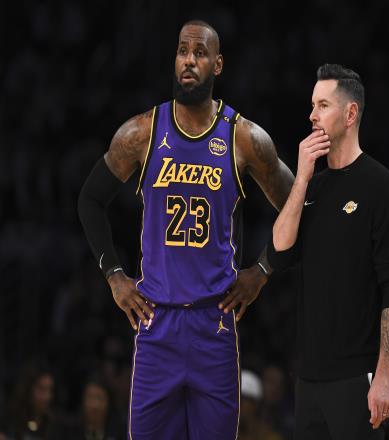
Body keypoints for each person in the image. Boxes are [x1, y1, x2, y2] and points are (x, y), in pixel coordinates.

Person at [77, 19, 294, 440]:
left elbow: (298, 206)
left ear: (218, 65)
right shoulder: (142, 132)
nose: (188, 60)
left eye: (199, 52)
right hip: (156, 322)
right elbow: (89, 200)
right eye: (182, 51)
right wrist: (114, 276)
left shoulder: (244, 138)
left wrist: (263, 270)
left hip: (215, 323)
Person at [266, 64, 389, 439]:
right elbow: (278, 254)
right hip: (308, 378)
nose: (311, 115)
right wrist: (301, 178)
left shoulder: (380, 186)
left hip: (356, 377)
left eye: (323, 105)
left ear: (350, 113)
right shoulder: (311, 187)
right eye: (312, 105)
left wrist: (384, 375)